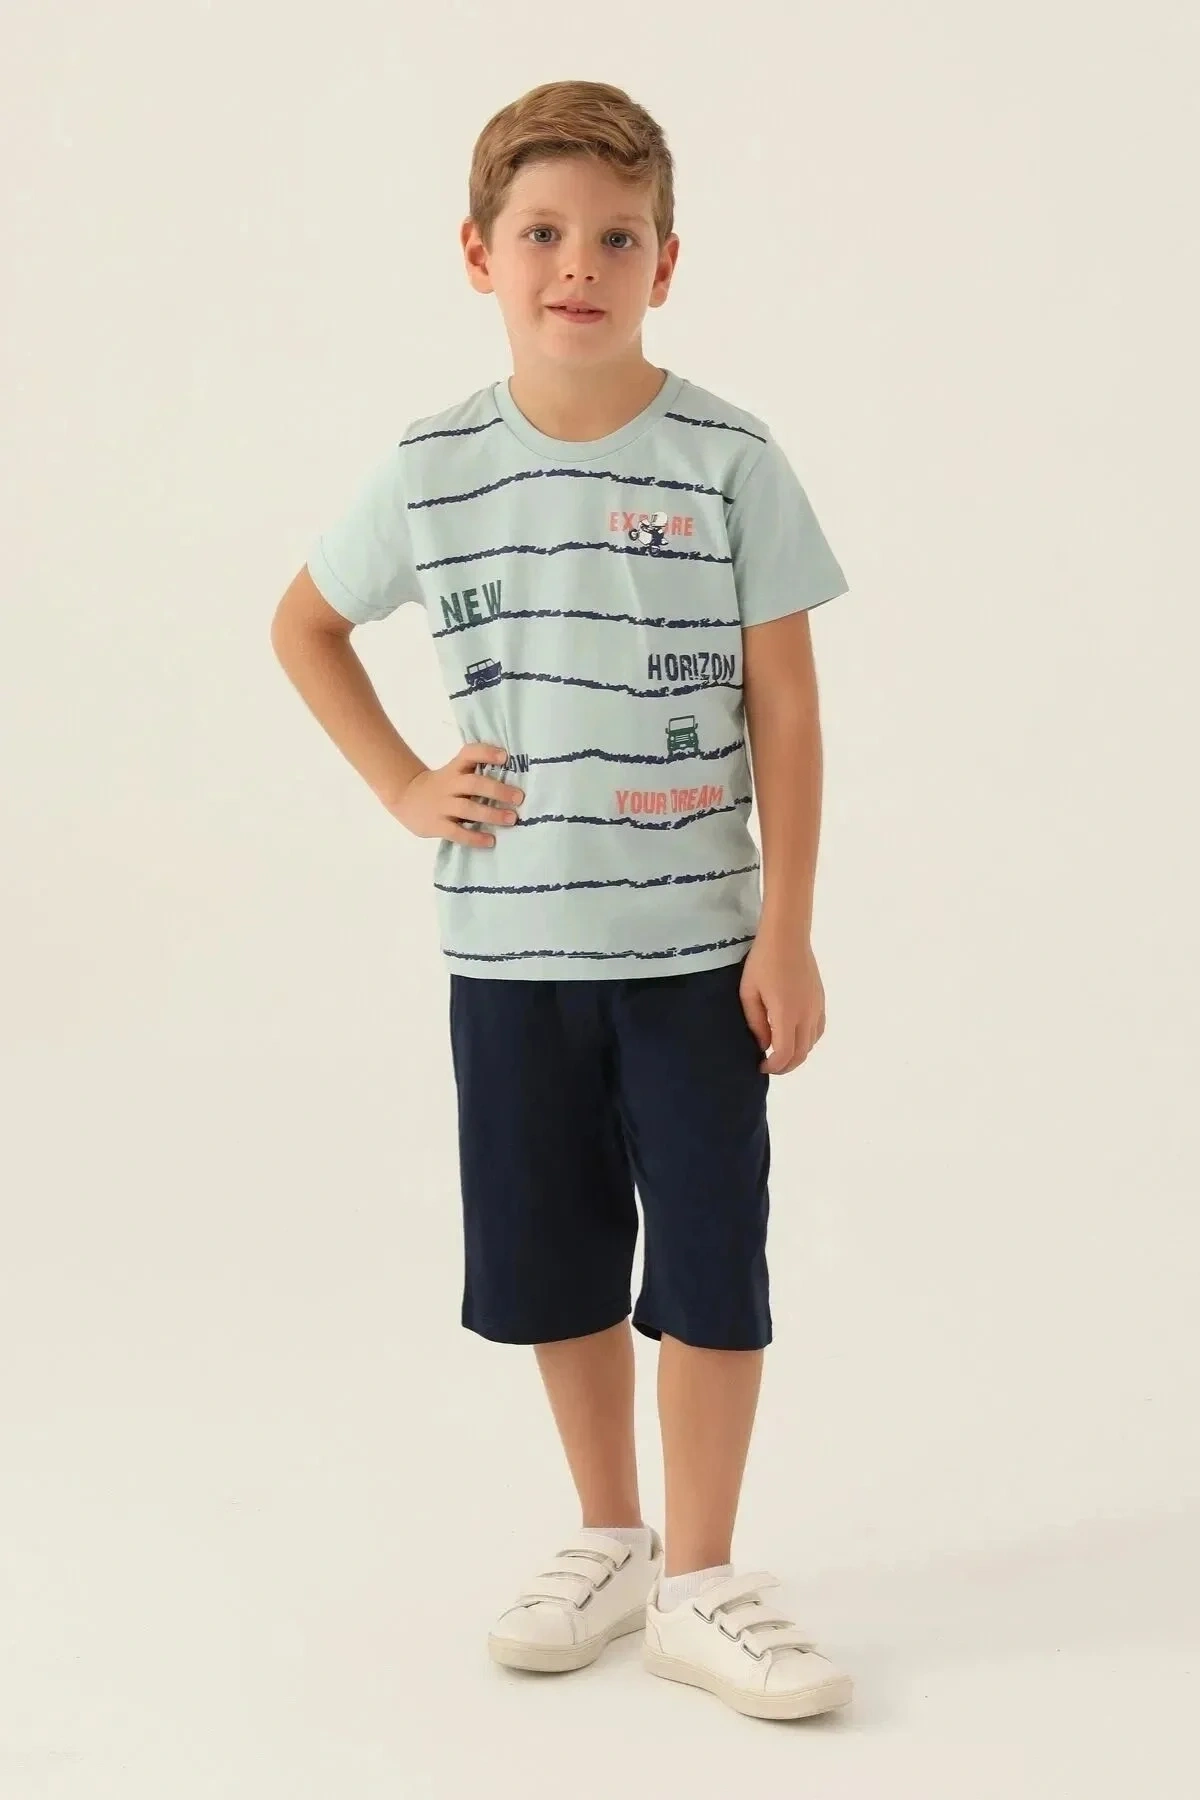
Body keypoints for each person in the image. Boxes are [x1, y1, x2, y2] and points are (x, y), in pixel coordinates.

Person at [270, 78, 853, 1723]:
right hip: (510, 951)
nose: (578, 264)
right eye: (542, 233)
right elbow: (304, 625)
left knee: (714, 1260)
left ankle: (704, 1579)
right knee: (558, 1253)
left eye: (617, 235)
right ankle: (610, 1533)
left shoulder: (731, 459)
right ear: (480, 254)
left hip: (699, 954)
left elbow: (787, 706)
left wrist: (788, 927)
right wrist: (405, 785)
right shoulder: (434, 465)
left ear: (667, 262)